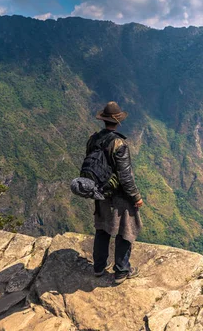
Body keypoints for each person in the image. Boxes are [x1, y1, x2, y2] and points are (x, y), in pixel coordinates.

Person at [87, 101, 144, 284]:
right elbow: (125, 176)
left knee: (102, 228)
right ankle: (121, 270)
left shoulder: (93, 139)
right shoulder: (119, 144)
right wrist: (136, 197)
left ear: (104, 120)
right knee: (125, 230)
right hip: (119, 196)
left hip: (100, 192)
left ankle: (98, 267)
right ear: (118, 121)